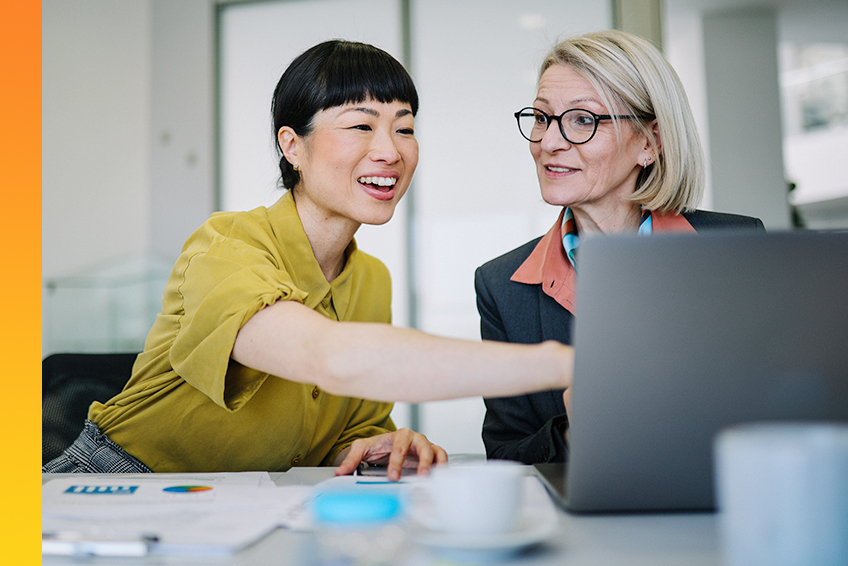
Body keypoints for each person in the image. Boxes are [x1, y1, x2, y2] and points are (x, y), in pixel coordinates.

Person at [43, 40, 574, 481]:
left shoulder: (370, 278)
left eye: (405, 127)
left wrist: (377, 443)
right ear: (292, 146)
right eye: (361, 126)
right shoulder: (225, 245)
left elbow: (343, 426)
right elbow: (329, 357)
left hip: (249, 501)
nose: (390, 150)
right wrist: (572, 364)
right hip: (121, 481)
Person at [476, 30, 765, 465]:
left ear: (650, 142)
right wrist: (576, 432)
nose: (549, 142)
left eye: (582, 120)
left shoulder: (737, 250)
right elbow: (505, 452)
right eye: (541, 117)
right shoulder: (501, 284)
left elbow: (783, 412)